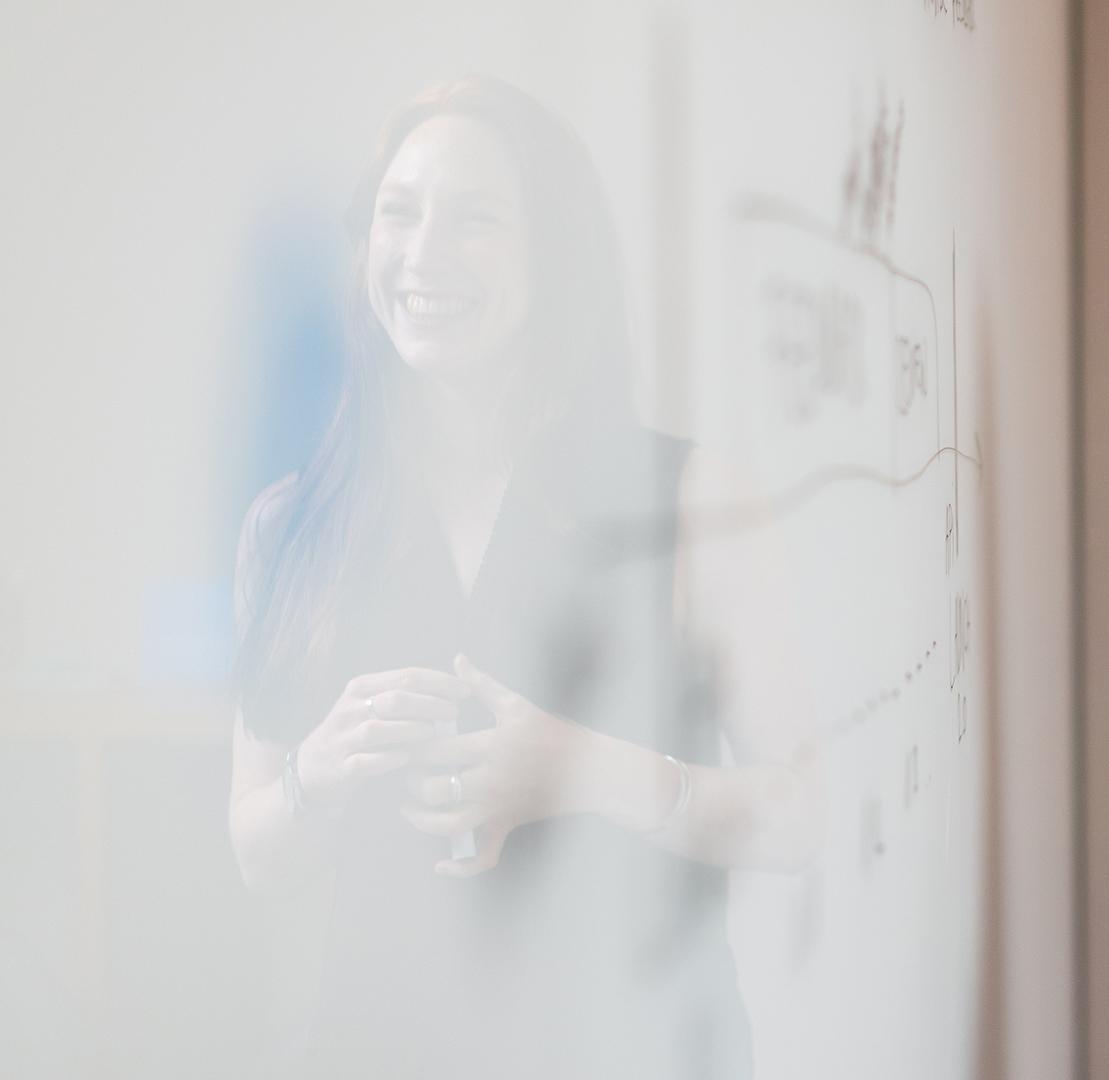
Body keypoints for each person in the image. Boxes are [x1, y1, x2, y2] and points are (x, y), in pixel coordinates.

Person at [226, 77, 814, 1078]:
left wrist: (584, 771)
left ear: (557, 256)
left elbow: (809, 815)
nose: (422, 256)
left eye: (476, 221)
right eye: (397, 215)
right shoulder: (291, 527)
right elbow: (256, 854)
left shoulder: (692, 500)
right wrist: (316, 771)